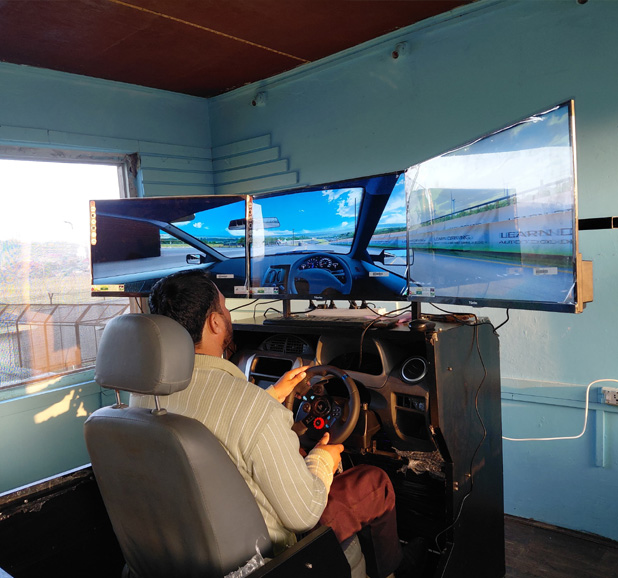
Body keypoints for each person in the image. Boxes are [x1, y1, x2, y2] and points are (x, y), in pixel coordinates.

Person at [130, 270, 421, 578]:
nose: (228, 314)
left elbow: (219, 421)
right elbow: (304, 515)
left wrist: (268, 398)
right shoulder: (251, 407)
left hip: (187, 546)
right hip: (269, 558)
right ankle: (394, 570)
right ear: (215, 322)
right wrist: (322, 459)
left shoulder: (142, 397)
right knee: (373, 481)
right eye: (225, 307)